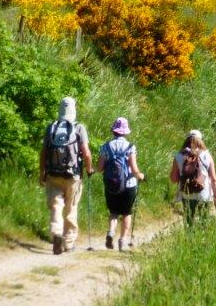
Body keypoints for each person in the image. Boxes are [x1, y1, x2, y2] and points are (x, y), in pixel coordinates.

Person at [39, 96, 94, 255]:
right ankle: (69, 242)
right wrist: (89, 169)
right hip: (73, 176)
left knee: (56, 205)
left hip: (53, 174)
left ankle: (56, 233)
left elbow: (43, 153)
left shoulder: (51, 127)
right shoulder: (79, 128)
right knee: (71, 207)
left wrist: (41, 172)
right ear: (74, 109)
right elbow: (87, 153)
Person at [96, 117, 145, 251]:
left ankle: (111, 232)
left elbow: (99, 169)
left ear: (114, 131)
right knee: (126, 213)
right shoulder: (130, 147)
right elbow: (134, 169)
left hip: (111, 185)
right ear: (125, 132)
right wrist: (140, 175)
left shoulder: (105, 147)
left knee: (113, 212)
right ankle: (122, 240)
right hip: (128, 185)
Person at [169, 130, 216, 226]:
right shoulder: (206, 155)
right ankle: (203, 239)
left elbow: (174, 179)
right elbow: (213, 179)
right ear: (200, 141)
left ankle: (189, 239)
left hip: (187, 192)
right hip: (203, 193)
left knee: (189, 221)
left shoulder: (179, 156)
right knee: (204, 220)